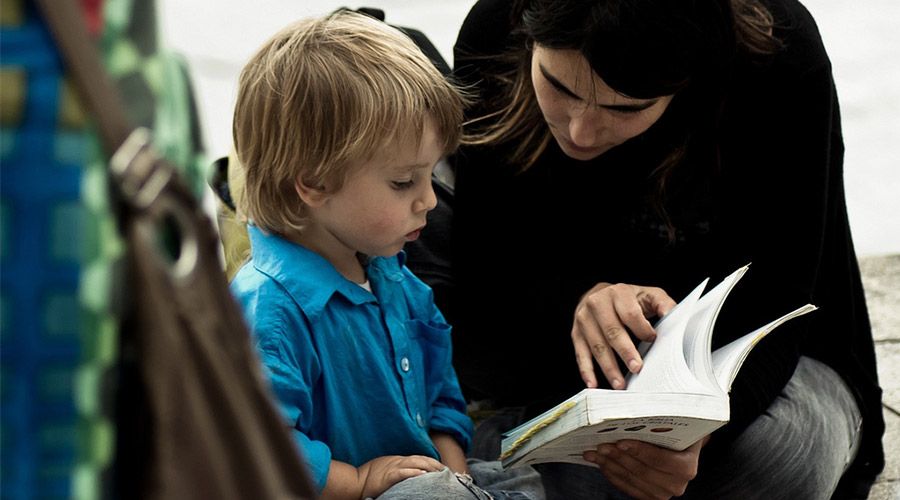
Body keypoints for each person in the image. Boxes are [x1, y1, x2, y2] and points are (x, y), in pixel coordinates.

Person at [406, 0, 886, 498]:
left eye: (626, 107)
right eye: (559, 87)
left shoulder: (781, 54)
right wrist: (581, 299)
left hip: (763, 366)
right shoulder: (495, 27)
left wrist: (695, 438)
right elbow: (488, 273)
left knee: (779, 458)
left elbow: (779, 303)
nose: (580, 131)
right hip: (560, 367)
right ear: (527, 36)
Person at [228, 11, 543, 500]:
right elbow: (257, 451)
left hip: (430, 481)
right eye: (404, 182)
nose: (430, 201)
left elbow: (441, 396)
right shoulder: (271, 310)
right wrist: (359, 481)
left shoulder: (392, 273)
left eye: (430, 176)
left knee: (533, 471)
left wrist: (453, 472)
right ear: (314, 182)